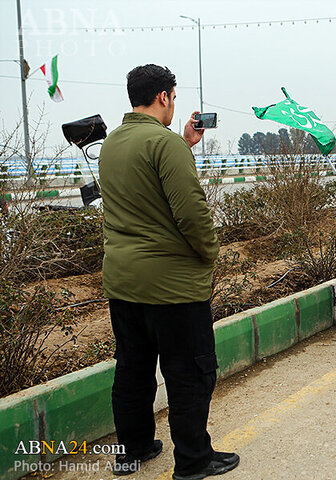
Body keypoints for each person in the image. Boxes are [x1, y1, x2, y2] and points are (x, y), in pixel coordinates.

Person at [99, 65, 239, 480]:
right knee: (190, 373)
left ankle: (133, 450)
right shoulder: (164, 145)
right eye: (174, 98)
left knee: (133, 368)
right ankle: (194, 460)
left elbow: (145, 189)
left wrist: (183, 144)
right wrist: (210, 252)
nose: (174, 104)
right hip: (173, 288)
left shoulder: (112, 145)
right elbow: (191, 213)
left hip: (123, 283)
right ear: (163, 96)